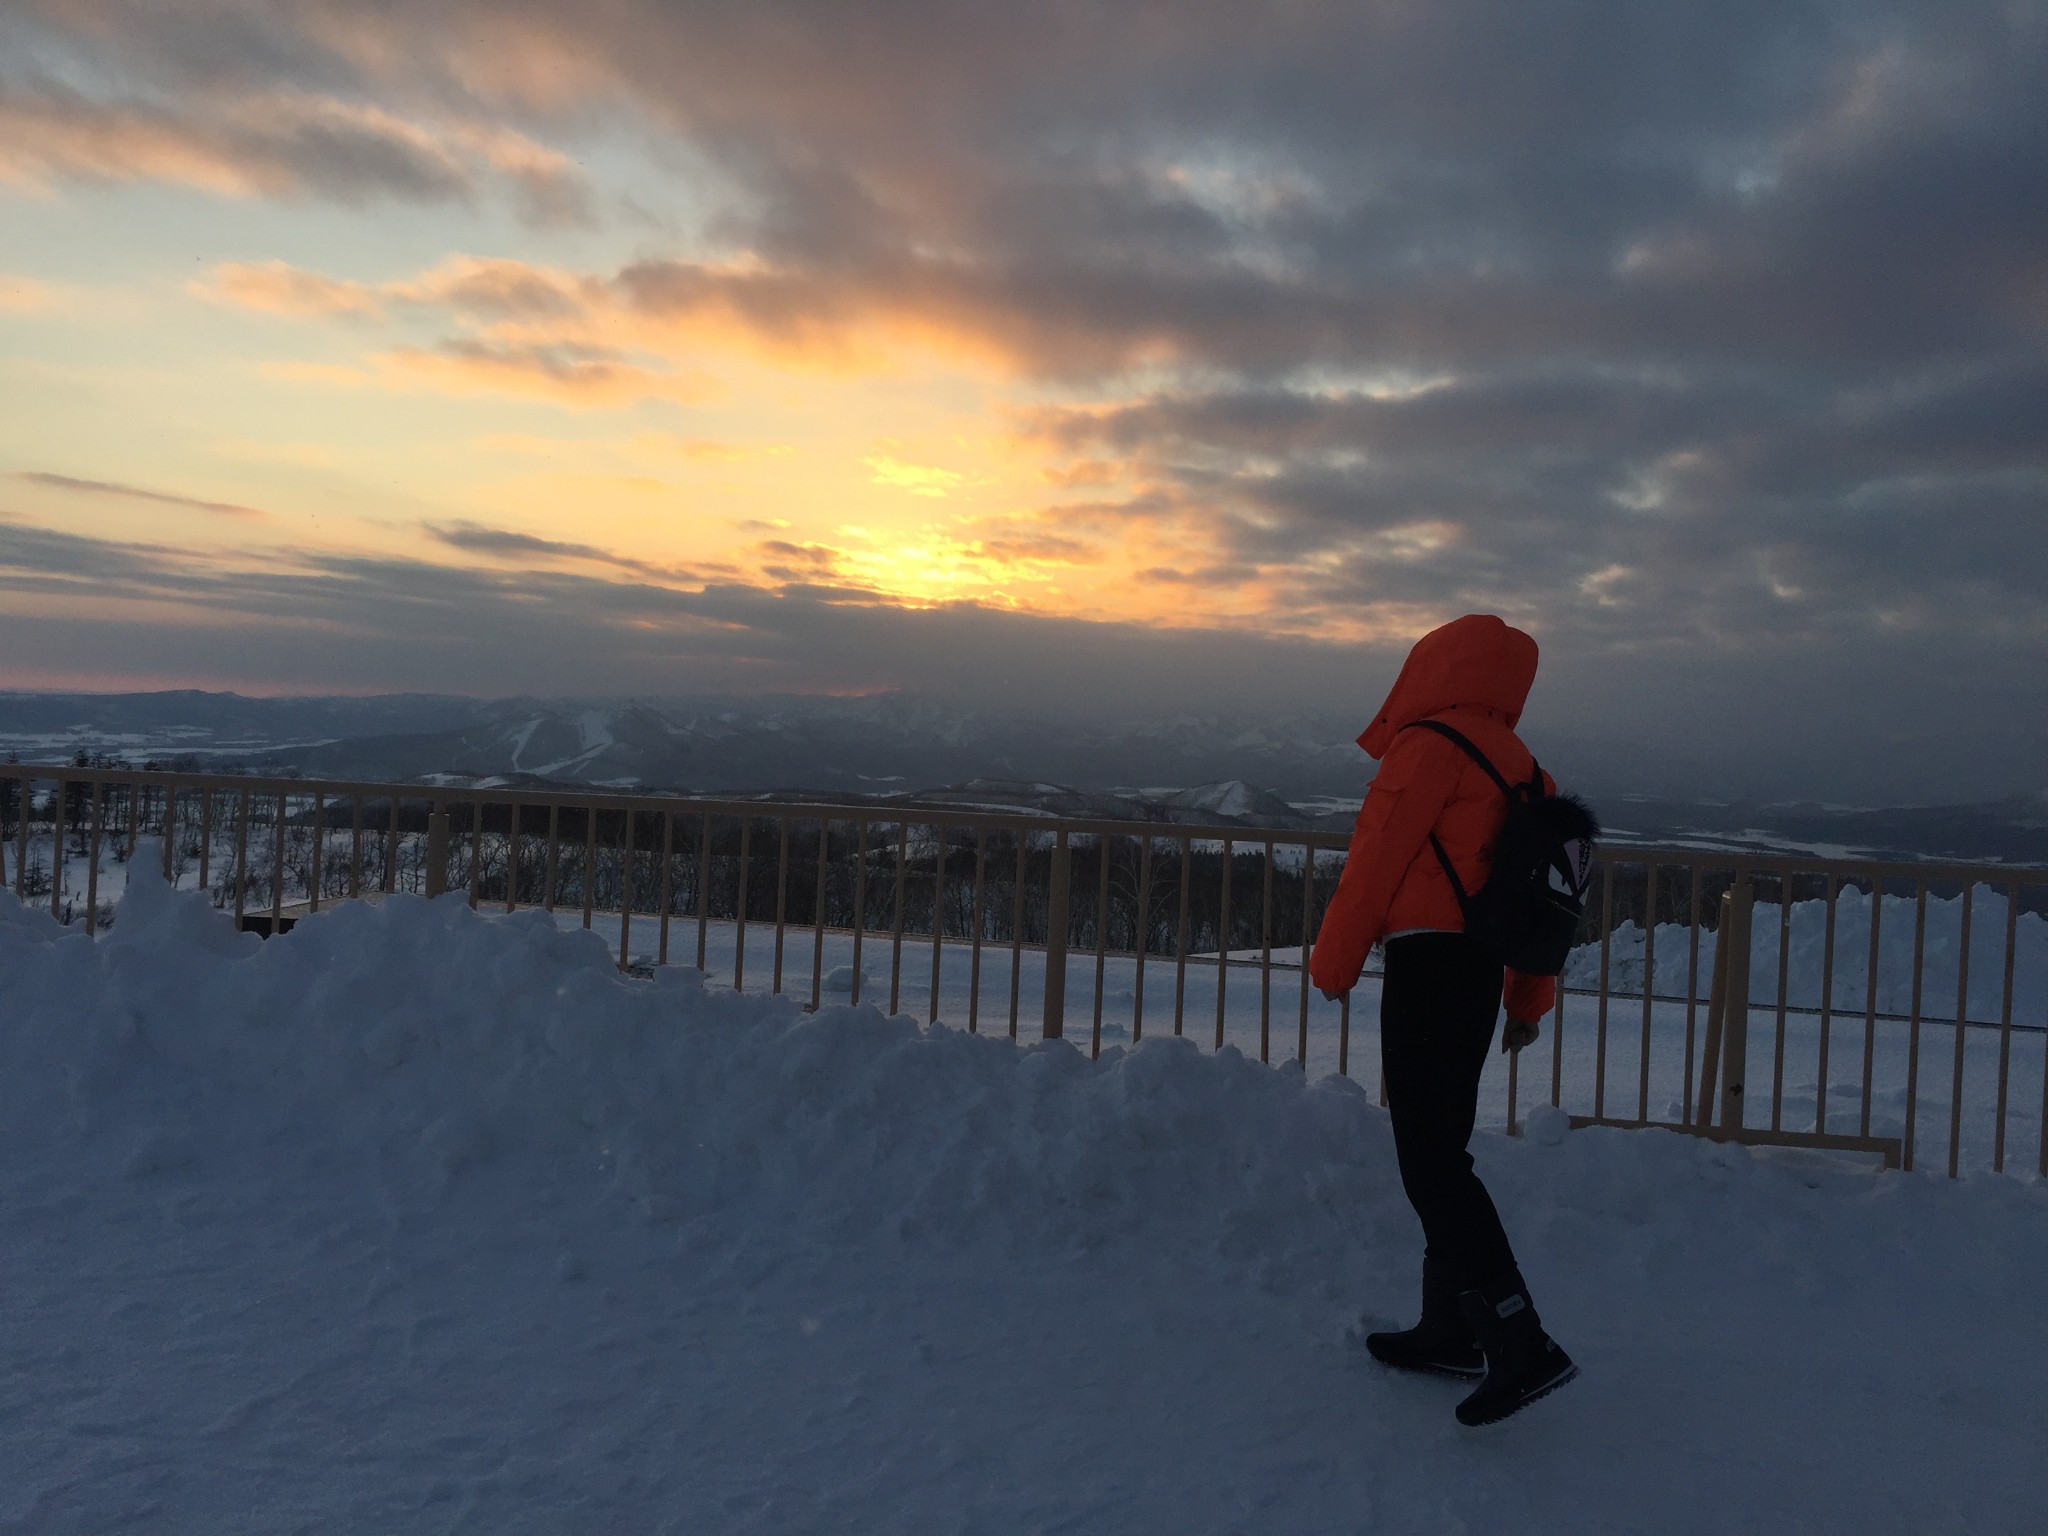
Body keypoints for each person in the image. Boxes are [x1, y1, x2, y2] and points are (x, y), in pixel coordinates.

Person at [1309, 613, 1578, 1427]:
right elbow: (1542, 898)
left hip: (1428, 967)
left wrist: (1333, 961)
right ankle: (1451, 1328)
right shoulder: (1525, 767)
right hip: (1480, 971)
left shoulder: (1426, 746)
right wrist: (1527, 1000)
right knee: (1442, 1148)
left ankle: (1519, 1341)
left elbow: (1377, 861)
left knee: (1430, 1164)